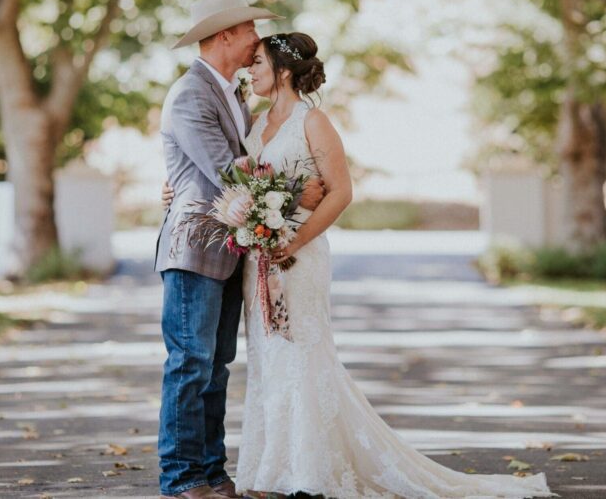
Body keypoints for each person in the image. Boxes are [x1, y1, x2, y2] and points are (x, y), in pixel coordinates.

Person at [167, 31, 553, 498]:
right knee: (268, 359)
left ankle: (307, 470)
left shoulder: (314, 121)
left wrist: (294, 240)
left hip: (297, 256)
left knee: (301, 351)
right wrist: (178, 190)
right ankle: (271, 469)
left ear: (284, 71)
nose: (252, 66)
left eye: (261, 61)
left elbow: (341, 191)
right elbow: (231, 172)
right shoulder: (255, 120)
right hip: (257, 258)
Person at [155, 0, 325, 499]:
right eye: (250, 29)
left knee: (215, 364)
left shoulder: (232, 92)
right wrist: (300, 190)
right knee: (189, 363)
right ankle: (181, 476)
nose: (256, 40)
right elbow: (230, 171)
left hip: (231, 246)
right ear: (226, 34)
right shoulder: (190, 93)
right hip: (193, 249)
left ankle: (210, 470)